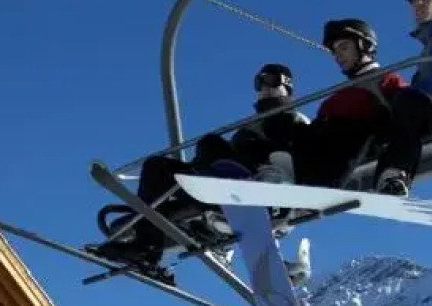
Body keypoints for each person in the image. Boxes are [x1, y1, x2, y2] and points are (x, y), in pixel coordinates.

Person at [92, 63, 306, 276]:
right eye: (258, 83)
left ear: (287, 85)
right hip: (218, 186)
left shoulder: (293, 122)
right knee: (156, 166)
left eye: (270, 81)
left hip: (254, 193)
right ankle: (148, 248)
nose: (263, 88)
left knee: (210, 142)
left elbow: (296, 170)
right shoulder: (249, 128)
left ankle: (184, 225)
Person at [257, 18, 432, 196]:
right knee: (279, 123)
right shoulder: (337, 97)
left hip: (353, 141)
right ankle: (258, 176)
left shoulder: (386, 80)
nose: (338, 56)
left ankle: (291, 186)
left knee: (340, 131)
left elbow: (407, 116)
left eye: (343, 47)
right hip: (322, 143)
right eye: (335, 51)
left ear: (364, 46)